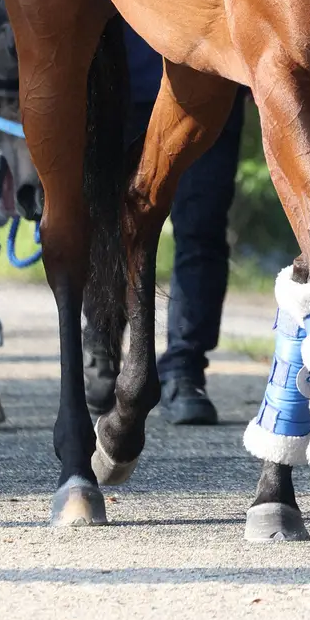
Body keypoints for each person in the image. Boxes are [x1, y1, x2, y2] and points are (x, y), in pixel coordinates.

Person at [83, 28, 246, 425]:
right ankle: (102, 340)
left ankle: (184, 370)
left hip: (212, 78)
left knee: (203, 225)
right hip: (123, 86)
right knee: (109, 220)